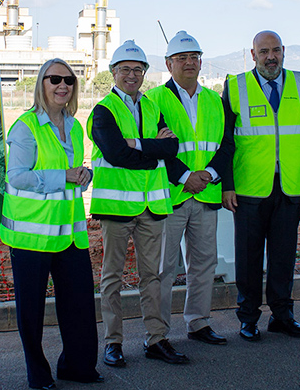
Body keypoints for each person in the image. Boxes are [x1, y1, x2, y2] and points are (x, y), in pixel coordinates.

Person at [1, 58, 102, 389]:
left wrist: (83, 177)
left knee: (80, 305)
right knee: (31, 313)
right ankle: (38, 376)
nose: (63, 85)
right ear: (41, 85)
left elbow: (73, 175)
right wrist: (64, 176)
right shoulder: (26, 128)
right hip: (31, 238)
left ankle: (77, 366)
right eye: (54, 79)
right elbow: (16, 178)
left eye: (69, 80)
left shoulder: (74, 126)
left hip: (69, 235)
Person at [88, 40, 187, 366]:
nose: (132, 75)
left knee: (153, 277)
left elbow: (171, 150)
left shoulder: (153, 107)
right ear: (113, 73)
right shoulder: (103, 111)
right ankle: (113, 342)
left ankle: (155, 339)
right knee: (112, 277)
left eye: (137, 69)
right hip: (116, 209)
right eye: (125, 69)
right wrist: (150, 151)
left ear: (145, 72)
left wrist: (138, 147)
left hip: (152, 208)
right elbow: (116, 154)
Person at [222, 30, 300, 341]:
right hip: (249, 189)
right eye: (264, 51)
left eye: (276, 50)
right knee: (249, 257)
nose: (271, 57)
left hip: (291, 186)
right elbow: (225, 141)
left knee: (283, 256)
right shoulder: (235, 86)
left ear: (284, 51)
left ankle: (283, 316)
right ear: (253, 55)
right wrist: (227, 185)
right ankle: (248, 318)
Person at [145, 31, 234, 346]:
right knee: (163, 268)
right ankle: (158, 333)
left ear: (201, 61)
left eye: (193, 57)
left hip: (206, 194)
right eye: (181, 58)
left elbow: (226, 145)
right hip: (171, 196)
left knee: (203, 264)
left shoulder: (214, 100)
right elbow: (154, 147)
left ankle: (198, 323)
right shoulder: (153, 100)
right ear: (168, 64)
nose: (188, 63)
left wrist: (209, 174)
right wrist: (185, 177)